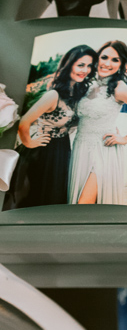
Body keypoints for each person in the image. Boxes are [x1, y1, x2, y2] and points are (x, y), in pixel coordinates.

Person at [8, 46, 95, 208]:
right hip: (43, 151)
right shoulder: (53, 95)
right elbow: (24, 122)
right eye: (81, 65)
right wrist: (29, 143)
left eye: (89, 66)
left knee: (54, 195)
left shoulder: (77, 93)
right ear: (69, 65)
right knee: (38, 197)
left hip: (62, 149)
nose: (85, 70)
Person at [70, 40, 127, 205]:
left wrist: (126, 138)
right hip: (80, 148)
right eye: (104, 57)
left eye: (115, 60)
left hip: (103, 150)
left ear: (121, 64)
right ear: (97, 58)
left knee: (83, 203)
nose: (107, 63)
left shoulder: (120, 88)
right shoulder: (86, 84)